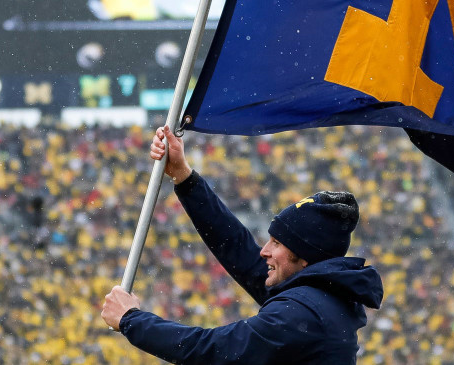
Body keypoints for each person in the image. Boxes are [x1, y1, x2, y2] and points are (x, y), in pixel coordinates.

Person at [101, 126, 384, 364]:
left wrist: (131, 320)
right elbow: (237, 248)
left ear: (305, 257)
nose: (264, 251)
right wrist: (184, 177)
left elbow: (210, 349)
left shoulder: (301, 313)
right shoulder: (315, 296)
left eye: (277, 243)